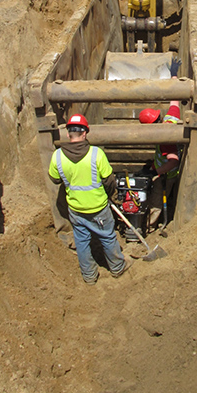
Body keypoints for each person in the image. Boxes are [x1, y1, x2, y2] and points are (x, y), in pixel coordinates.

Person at [48, 113, 130, 284]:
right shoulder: (96, 154)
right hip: (98, 207)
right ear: (84, 133)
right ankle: (117, 268)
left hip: (76, 209)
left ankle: (89, 276)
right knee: (107, 236)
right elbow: (109, 180)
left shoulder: (57, 156)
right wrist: (108, 196)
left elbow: (55, 178)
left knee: (82, 241)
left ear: (69, 133)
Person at [138, 56, 182, 228]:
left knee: (156, 202)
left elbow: (174, 160)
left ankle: (147, 226)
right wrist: (174, 75)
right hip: (164, 171)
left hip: (166, 176)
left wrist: (157, 171)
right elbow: (175, 97)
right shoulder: (171, 118)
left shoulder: (165, 139)